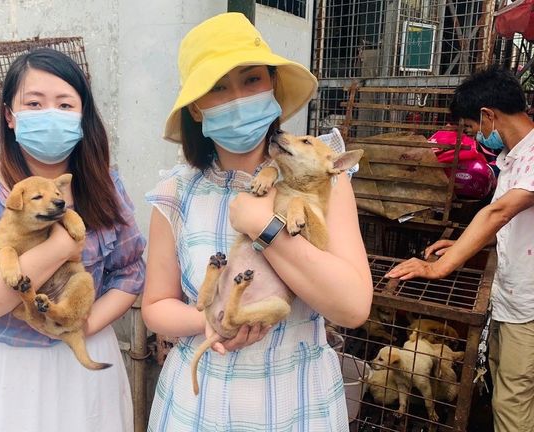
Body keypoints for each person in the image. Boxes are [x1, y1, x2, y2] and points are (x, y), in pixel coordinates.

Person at [142, 13, 373, 431]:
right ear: (196, 107)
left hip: (297, 402)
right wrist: (212, 320)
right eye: (217, 87)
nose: (237, 98)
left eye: (251, 80)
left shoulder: (324, 179)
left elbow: (353, 306)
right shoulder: (176, 194)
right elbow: (155, 306)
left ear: (272, 87)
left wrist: (265, 228)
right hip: (200, 405)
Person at [0, 48, 146, 432]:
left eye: (65, 104)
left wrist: (78, 327)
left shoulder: (104, 185)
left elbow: (130, 274)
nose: (50, 114)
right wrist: (59, 247)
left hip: (87, 354)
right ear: (10, 115)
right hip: (12, 368)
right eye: (34, 103)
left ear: (83, 117)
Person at [387, 65, 534, 432]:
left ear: (488, 115)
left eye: (472, 128)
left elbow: (499, 212)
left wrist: (441, 266)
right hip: (510, 296)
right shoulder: (513, 158)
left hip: (529, 304)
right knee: (505, 383)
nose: (476, 136)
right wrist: (462, 242)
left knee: (513, 399)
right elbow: (507, 222)